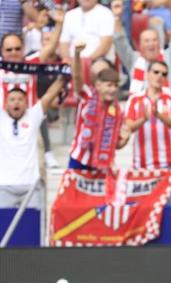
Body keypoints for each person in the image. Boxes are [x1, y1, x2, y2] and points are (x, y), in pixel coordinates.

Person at [0, 77, 65, 210]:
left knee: (33, 228)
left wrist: (63, 77)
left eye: (20, 99)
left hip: (32, 186)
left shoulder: (33, 116)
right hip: (4, 186)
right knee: (4, 229)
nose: (16, 102)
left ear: (26, 103)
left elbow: (50, 94)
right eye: (12, 99)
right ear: (6, 104)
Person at [69, 43, 126, 170]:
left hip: (103, 164)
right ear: (98, 85)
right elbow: (77, 76)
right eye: (109, 85)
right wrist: (77, 55)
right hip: (79, 160)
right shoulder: (87, 96)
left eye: (115, 86)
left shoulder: (117, 110)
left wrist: (127, 136)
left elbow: (116, 144)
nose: (113, 90)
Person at [112, 0, 171, 94]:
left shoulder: (169, 57)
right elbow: (119, 40)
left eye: (154, 40)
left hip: (166, 106)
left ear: (160, 43)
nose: (151, 44)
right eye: (147, 41)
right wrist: (117, 17)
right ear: (140, 45)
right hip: (139, 107)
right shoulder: (133, 59)